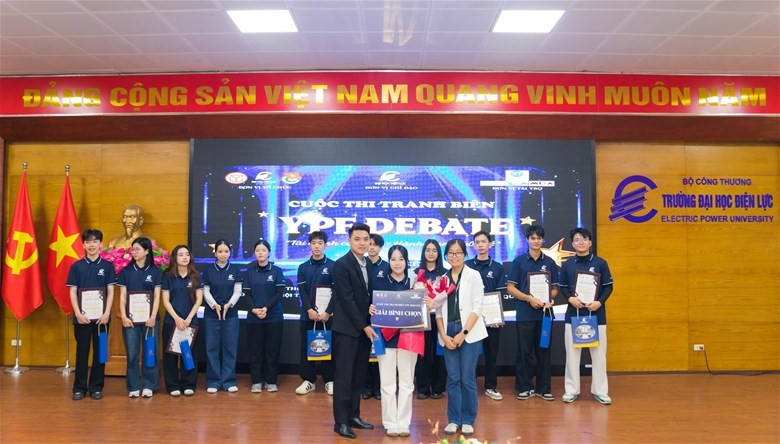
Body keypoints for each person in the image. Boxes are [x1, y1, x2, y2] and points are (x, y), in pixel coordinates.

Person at [370, 245, 432, 437]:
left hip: (409, 338)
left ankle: (404, 423)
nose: (397, 263)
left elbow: (425, 312)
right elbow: (372, 306)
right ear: (389, 261)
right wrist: (370, 309)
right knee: (387, 383)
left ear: (407, 261)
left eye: (401, 259)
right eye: (393, 259)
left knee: (407, 383)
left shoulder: (416, 283)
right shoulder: (380, 281)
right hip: (385, 338)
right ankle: (390, 423)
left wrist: (427, 303)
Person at [332, 223, 379, 440]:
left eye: (366, 239)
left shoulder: (368, 264)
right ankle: (340, 422)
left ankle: (354, 416)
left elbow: (367, 297)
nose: (362, 243)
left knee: (358, 376)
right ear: (349, 240)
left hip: (363, 330)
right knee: (344, 377)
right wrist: (364, 325)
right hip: (347, 330)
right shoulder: (341, 265)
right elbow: (347, 300)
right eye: (357, 239)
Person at [436, 239, 487, 437]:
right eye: (450, 253)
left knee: (467, 377)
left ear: (465, 255)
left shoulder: (474, 275)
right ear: (446, 256)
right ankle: (453, 419)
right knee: (453, 378)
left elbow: (478, 307)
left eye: (458, 252)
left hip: (469, 332)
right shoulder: (442, 279)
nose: (454, 256)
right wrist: (443, 335)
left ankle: (467, 419)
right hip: (448, 330)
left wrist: (463, 333)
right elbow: (438, 311)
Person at [559, 227, 614, 405]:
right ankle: (571, 390)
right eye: (577, 240)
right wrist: (570, 299)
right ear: (573, 244)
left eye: (584, 239)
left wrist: (599, 302)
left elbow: (608, 287)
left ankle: (601, 391)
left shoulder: (600, 263)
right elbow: (563, 287)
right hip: (573, 315)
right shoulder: (567, 264)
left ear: (590, 242)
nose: (580, 242)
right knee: (572, 356)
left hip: (596, 315)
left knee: (598, 356)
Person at [506, 225, 560, 401]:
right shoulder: (519, 261)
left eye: (539, 238)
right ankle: (525, 387)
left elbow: (554, 289)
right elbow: (511, 288)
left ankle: (544, 388)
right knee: (525, 351)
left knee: (544, 350)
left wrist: (549, 298)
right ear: (527, 240)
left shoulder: (550, 262)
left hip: (544, 314)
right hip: (525, 314)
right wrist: (529, 299)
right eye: (533, 238)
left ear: (542, 240)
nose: (536, 241)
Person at [67, 229, 116, 401]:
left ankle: (96, 387)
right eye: (88, 242)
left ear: (101, 244)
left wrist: (107, 313)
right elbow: (73, 292)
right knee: (82, 352)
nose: (91, 245)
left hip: (102, 319)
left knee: (100, 353)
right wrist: (78, 313)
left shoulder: (108, 266)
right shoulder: (76, 266)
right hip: (82, 319)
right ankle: (79, 388)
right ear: (83, 245)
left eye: (95, 241)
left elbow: (111, 291)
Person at [465, 230, 507, 401]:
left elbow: (500, 294)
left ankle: (491, 386)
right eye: (477, 242)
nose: (480, 245)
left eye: (484, 242)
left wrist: (497, 317)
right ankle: (470, 386)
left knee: (491, 353)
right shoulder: (467, 266)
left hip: (491, 318)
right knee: (470, 354)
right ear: (473, 245)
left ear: (490, 244)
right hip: (471, 317)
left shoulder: (497, 267)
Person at [117, 237, 162, 398]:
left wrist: (153, 316)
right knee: (132, 354)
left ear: (147, 251)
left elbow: (157, 296)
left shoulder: (156, 272)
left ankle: (149, 385)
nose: (134, 252)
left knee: (150, 352)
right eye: (133, 249)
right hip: (131, 320)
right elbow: (122, 297)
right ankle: (134, 386)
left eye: (138, 249)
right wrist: (124, 316)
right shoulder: (126, 272)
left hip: (150, 320)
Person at [242, 239, 286, 393]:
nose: (260, 253)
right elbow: (246, 294)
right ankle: (256, 381)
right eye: (257, 250)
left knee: (272, 350)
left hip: (273, 316)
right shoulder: (249, 272)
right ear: (254, 253)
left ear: (269, 253)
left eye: (263, 250)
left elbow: (279, 293)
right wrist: (254, 309)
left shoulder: (277, 271)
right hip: (254, 317)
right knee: (255, 350)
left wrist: (266, 308)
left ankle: (271, 380)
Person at [295, 231, 336, 396]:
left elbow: (337, 291)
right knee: (307, 347)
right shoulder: (303, 267)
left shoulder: (333, 266)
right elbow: (302, 291)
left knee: (329, 346)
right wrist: (309, 310)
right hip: (308, 315)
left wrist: (328, 311)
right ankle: (308, 381)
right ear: (310, 245)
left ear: (325, 245)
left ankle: (330, 381)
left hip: (328, 317)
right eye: (314, 243)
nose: (317, 246)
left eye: (320, 243)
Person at [201, 239, 243, 393]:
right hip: (211, 315)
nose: (223, 254)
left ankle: (228, 381)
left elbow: (237, 291)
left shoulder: (235, 269)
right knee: (211, 348)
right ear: (215, 253)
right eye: (220, 251)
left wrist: (229, 304)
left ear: (230, 253)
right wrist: (215, 305)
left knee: (230, 348)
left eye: (226, 251)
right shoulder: (208, 270)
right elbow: (205, 291)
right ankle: (213, 381)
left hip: (230, 315)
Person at [161, 244, 203, 397]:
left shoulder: (195, 276)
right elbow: (165, 301)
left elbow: (199, 300)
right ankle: (172, 385)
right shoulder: (167, 277)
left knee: (189, 354)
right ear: (175, 258)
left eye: (187, 254)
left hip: (190, 322)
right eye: (181, 255)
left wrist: (189, 318)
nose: (185, 257)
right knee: (170, 356)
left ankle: (188, 384)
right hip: (172, 322)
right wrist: (177, 318)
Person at [414, 238, 448, 400]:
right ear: (424, 252)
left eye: (434, 250)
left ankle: (438, 387)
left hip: (440, 317)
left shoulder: (445, 273)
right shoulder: (416, 273)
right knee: (423, 353)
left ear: (438, 253)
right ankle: (422, 387)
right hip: (422, 318)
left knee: (440, 353)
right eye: (428, 250)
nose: (431, 253)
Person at [363, 233, 389, 400]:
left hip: (381, 315)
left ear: (380, 247)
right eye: (369, 244)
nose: (371, 247)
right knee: (365, 352)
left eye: (375, 244)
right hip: (364, 314)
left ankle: (379, 387)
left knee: (379, 351)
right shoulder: (361, 264)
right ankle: (366, 387)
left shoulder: (386, 266)